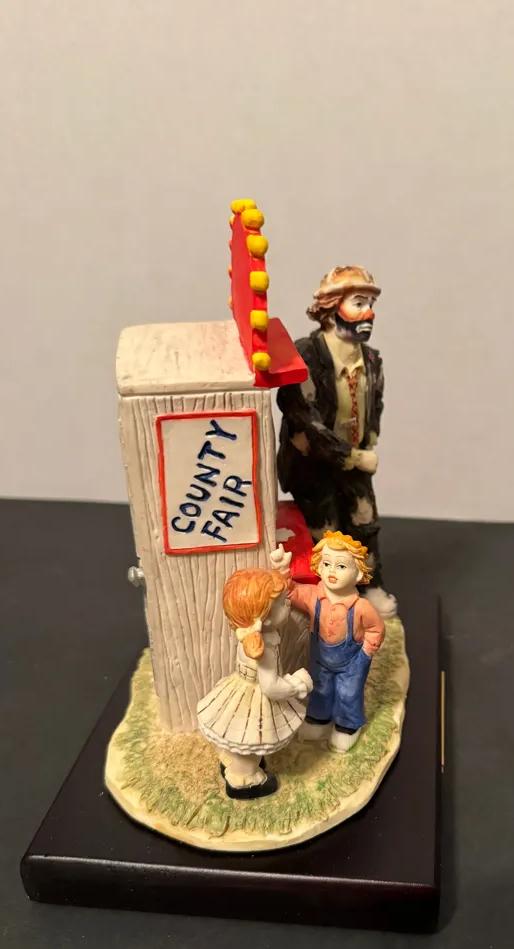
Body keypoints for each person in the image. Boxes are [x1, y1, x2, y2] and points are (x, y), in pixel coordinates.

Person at [276, 265, 396, 618]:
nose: (369, 313)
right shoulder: (304, 357)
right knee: (325, 531)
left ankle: (369, 584)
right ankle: (330, 596)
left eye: (370, 304)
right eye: (359, 303)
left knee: (364, 522)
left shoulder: (371, 360)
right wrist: (354, 457)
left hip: (355, 457)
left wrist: (369, 439)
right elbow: (304, 419)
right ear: (330, 308)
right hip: (313, 463)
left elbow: (375, 402)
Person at [197, 568, 313, 799]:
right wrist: (296, 685)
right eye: (282, 603)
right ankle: (243, 777)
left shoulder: (249, 635)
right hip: (255, 696)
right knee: (252, 734)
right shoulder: (264, 647)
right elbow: (270, 687)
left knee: (237, 729)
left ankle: (231, 757)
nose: (288, 604)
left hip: (240, 687)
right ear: (265, 618)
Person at [270, 532, 385, 753]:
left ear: (358, 573)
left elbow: (376, 628)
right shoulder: (313, 595)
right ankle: (318, 719)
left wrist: (366, 652)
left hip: (352, 661)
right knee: (320, 687)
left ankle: (347, 726)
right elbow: (291, 591)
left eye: (341, 566)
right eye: (326, 564)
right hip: (321, 656)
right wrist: (283, 569)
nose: (332, 571)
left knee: (348, 692)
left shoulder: (361, 607)